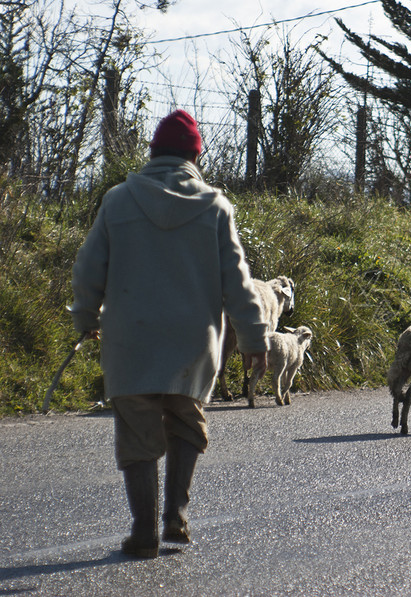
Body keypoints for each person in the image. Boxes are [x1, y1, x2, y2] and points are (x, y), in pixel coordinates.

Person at [70, 109, 269, 559]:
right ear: (194, 157)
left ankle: (143, 530)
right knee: (185, 420)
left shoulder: (118, 200)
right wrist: (255, 340)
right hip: (192, 344)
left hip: (130, 342)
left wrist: (85, 316)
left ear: (154, 153)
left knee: (137, 431)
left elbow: (88, 269)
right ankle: (175, 517)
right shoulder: (216, 207)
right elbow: (237, 283)